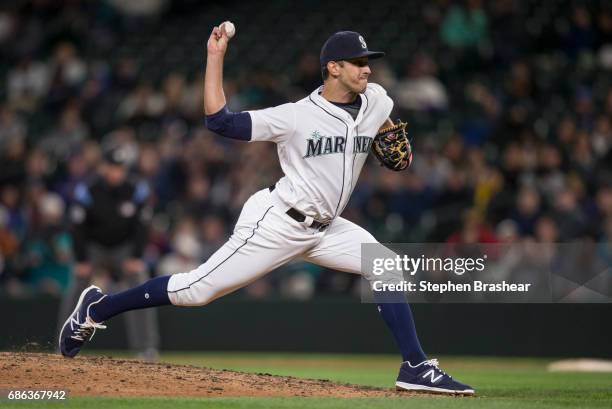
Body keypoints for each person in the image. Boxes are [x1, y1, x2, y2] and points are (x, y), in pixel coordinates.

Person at [59, 26, 475, 395]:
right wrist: (215, 57)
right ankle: (96, 309)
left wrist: (386, 134)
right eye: (358, 63)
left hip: (328, 229)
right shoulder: (294, 117)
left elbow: (386, 124)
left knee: (384, 264)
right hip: (278, 221)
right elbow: (219, 122)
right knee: (196, 291)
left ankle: (416, 366)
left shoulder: (377, 100)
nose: (367, 69)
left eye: (368, 63)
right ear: (333, 68)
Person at [57, 143, 159, 360]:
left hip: (123, 248)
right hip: (94, 247)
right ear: (104, 167)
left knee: (141, 285)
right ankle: (62, 344)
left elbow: (142, 226)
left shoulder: (136, 190)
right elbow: (77, 226)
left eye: (120, 168)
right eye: (113, 167)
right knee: (76, 284)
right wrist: (82, 259)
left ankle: (146, 347)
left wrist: (136, 256)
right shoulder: (88, 189)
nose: (116, 172)